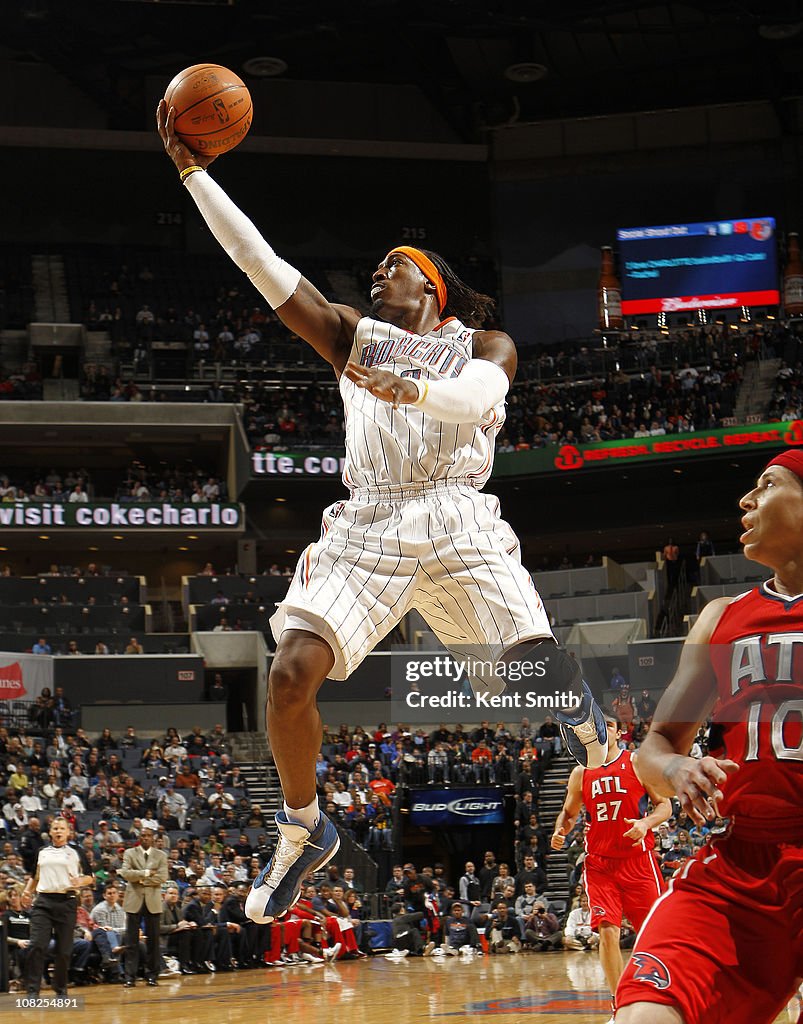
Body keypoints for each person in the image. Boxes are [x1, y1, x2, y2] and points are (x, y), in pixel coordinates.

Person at [157, 102, 608, 925]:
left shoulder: (483, 344)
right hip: (368, 524)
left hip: (456, 518)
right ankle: (304, 828)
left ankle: (590, 727)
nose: (375, 276)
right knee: (290, 675)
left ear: (430, 288)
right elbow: (264, 268)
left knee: (532, 677)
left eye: (391, 267)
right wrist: (196, 175)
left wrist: (417, 389)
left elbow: (477, 395)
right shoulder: (350, 337)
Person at [616, 450, 803, 1024]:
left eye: (766, 485)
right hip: (742, 867)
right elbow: (655, 748)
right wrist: (674, 771)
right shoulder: (722, 617)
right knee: (646, 1015)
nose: (745, 501)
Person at [552, 711, 670, 1022]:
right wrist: (560, 830)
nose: (603, 729)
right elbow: (569, 812)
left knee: (653, 935)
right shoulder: (581, 773)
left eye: (610, 725)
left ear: (619, 732)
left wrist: (646, 823)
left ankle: (662, 996)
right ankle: (620, 1008)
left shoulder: (636, 763)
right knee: (607, 931)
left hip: (638, 861)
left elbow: (665, 805)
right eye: (597, 725)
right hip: (600, 864)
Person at [20, 817, 95, 996]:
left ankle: (60, 989)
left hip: (67, 901)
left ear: (68, 832)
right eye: (55, 828)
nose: (59, 831)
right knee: (37, 945)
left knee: (64, 949)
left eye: (62, 828)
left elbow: (90, 877)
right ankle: (32, 991)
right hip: (43, 901)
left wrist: (79, 881)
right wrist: (27, 892)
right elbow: (34, 875)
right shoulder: (42, 851)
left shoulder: (77, 851)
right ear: (50, 832)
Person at [119, 826, 168, 987]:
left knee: (153, 941)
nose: (145, 838)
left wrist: (139, 879)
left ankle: (152, 975)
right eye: (143, 835)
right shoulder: (129, 853)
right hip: (134, 901)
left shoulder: (161, 855)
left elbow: (162, 877)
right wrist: (147, 873)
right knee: (131, 941)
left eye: (148, 835)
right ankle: (130, 976)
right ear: (139, 837)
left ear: (153, 838)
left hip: (153, 903)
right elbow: (125, 873)